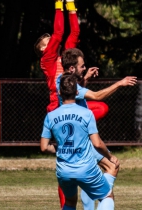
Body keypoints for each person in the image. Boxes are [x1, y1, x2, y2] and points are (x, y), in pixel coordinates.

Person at [34, 0, 116, 210]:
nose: (50, 42)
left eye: (49, 41)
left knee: (100, 109)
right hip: (57, 108)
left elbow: (75, 32)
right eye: (45, 42)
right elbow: (59, 32)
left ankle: (79, 144)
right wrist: (59, 1)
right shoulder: (48, 59)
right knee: (69, 158)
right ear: (42, 49)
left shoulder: (67, 58)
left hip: (73, 108)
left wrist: (72, 5)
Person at [41, 73, 119, 210]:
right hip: (86, 169)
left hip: (63, 171)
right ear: (77, 92)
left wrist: (59, 149)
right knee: (107, 196)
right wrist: (110, 156)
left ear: (59, 92)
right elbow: (97, 143)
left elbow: (44, 147)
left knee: (70, 202)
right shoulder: (86, 113)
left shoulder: (50, 116)